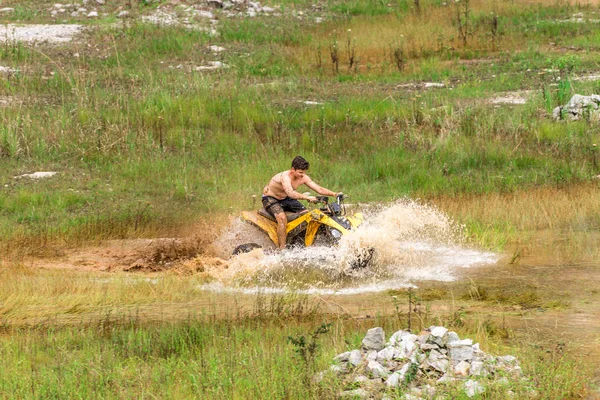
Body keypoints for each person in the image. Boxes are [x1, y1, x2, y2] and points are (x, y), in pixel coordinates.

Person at [262, 156, 341, 249]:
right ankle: (282, 248)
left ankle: (301, 241)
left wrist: (335, 194)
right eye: (300, 172)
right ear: (293, 170)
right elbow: (290, 193)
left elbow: (319, 189)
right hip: (271, 198)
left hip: (286, 198)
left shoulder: (303, 177)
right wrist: (307, 197)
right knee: (282, 218)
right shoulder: (285, 177)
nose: (302, 175)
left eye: (304, 172)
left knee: (308, 216)